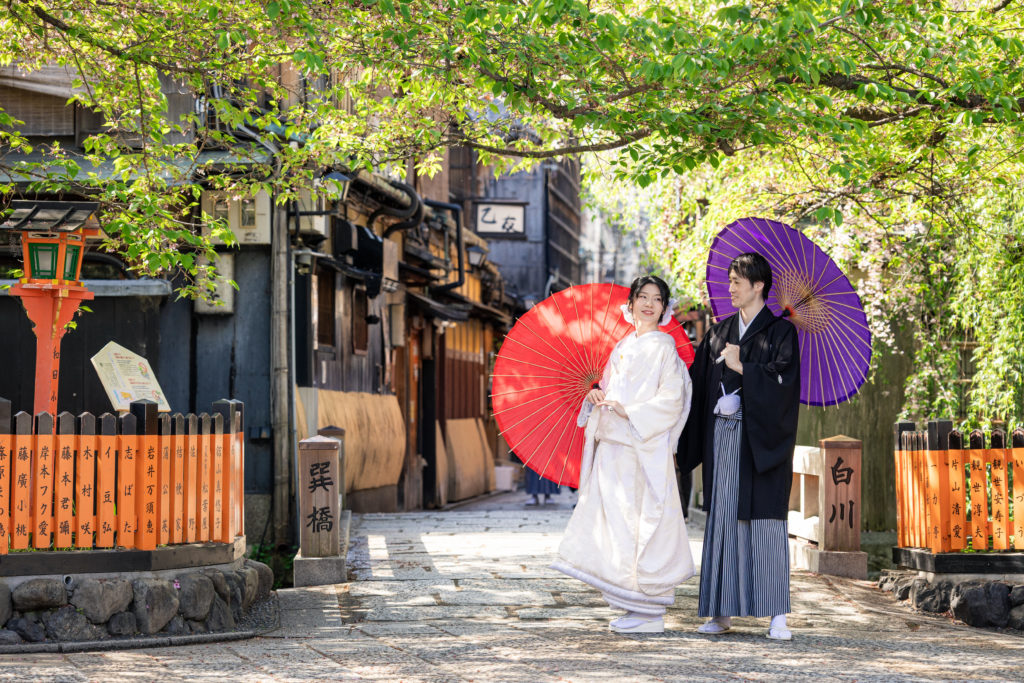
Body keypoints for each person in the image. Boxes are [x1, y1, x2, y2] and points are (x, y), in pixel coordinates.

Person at [552, 275, 695, 634]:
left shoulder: (664, 348)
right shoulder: (622, 346)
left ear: (664, 308)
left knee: (641, 523)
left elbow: (673, 399)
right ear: (629, 304)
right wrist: (597, 397)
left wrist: (630, 410)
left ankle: (649, 611)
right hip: (615, 447)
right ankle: (630, 603)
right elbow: (612, 390)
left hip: (642, 446)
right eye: (642, 297)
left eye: (657, 298)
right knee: (615, 526)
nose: (649, 303)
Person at [679, 252, 800, 641]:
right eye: (729, 280)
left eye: (737, 281)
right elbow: (695, 389)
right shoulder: (718, 332)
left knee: (765, 523)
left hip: (761, 442)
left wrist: (743, 369)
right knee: (723, 523)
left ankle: (776, 613)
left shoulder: (781, 333)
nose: (730, 287)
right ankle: (720, 611)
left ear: (759, 285)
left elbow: (785, 387)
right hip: (723, 439)